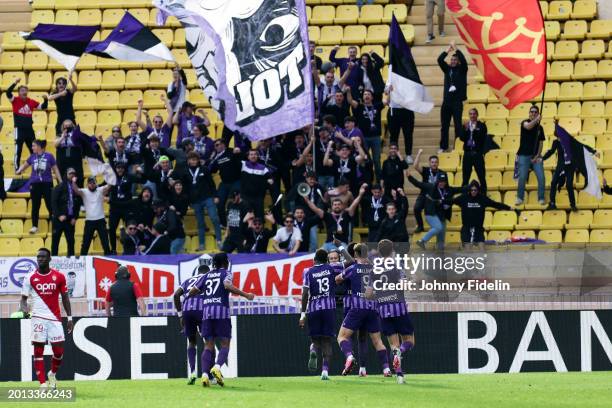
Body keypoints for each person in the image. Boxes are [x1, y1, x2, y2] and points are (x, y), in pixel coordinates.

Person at [189, 253, 256, 387]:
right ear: (225, 262)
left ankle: (204, 374)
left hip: (207, 312)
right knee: (225, 344)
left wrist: (207, 295)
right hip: (221, 312)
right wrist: (246, 294)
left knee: (208, 345)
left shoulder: (206, 275)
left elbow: (192, 291)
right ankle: (217, 367)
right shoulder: (226, 273)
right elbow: (227, 285)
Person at [19, 248, 73, 389]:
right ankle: (42, 384)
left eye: (43, 257)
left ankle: (52, 374)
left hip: (55, 318)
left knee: (59, 352)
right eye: (38, 257)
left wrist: (70, 318)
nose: (40, 259)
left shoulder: (59, 276)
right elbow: (23, 300)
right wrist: (25, 310)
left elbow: (65, 298)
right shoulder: (30, 277)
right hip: (37, 317)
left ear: (49, 259)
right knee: (38, 350)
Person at [299, 246, 354, 380]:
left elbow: (305, 293)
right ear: (326, 260)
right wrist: (340, 246)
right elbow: (351, 260)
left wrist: (302, 314)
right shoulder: (332, 268)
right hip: (328, 308)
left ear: (314, 260)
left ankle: (313, 351)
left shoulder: (308, 271)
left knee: (315, 340)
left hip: (313, 309)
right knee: (327, 341)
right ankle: (325, 372)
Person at [335, 243, 391, 377]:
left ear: (355, 254)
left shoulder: (352, 268)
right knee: (378, 341)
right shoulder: (375, 269)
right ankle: (386, 369)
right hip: (372, 309)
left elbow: (337, 279)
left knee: (342, 337)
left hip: (357, 308)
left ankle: (349, 357)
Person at [367, 240, 415, 384]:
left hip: (383, 309)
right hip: (398, 307)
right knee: (409, 341)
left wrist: (380, 292)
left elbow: (368, 294)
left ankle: (400, 375)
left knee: (393, 345)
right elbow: (403, 284)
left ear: (379, 252)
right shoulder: (396, 264)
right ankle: (401, 351)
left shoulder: (373, 269)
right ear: (392, 249)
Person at [543, 125, 599, 211]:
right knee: (553, 182)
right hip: (561, 166)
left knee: (569, 185)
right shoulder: (556, 142)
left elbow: (582, 146)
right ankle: (552, 203)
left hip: (570, 166)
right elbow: (551, 152)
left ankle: (573, 205)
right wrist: (542, 158)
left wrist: (593, 151)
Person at [408, 172, 464, 250]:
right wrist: (409, 176)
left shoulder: (449, 189)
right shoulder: (430, 187)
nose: (442, 183)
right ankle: (422, 241)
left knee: (441, 239)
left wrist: (471, 186)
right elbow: (418, 184)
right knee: (438, 228)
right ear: (437, 181)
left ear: (446, 181)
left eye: (443, 181)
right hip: (431, 213)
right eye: (440, 181)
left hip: (442, 215)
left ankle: (440, 255)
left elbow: (461, 189)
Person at [173, 263, 209, 385]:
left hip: (187, 310)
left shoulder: (188, 280)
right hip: (202, 310)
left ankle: (192, 372)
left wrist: (180, 315)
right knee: (208, 342)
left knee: (192, 342)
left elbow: (176, 295)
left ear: (197, 272)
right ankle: (207, 374)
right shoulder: (208, 279)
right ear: (208, 272)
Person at [16, 139, 62, 233]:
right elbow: (25, 165)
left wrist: (60, 181)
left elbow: (56, 169)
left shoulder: (49, 156)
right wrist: (18, 170)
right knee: (35, 206)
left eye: (33, 146)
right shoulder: (32, 157)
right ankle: (34, 226)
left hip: (47, 183)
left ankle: (55, 225)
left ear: (39, 147)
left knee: (50, 205)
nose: (32, 148)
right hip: (35, 184)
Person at [305, 184, 367, 251]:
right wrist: (307, 200)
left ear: (342, 206)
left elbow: (354, 204)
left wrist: (360, 194)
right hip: (328, 244)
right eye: (335, 205)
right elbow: (315, 209)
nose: (337, 206)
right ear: (332, 206)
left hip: (342, 244)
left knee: (347, 255)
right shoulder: (327, 215)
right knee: (319, 254)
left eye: (338, 204)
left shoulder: (346, 215)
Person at [453, 180, 511, 249]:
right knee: (467, 251)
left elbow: (495, 204)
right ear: (469, 190)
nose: (473, 191)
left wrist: (509, 208)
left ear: (478, 190)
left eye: (475, 190)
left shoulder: (482, 198)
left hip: (478, 228)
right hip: (466, 228)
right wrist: (441, 202)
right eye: (472, 190)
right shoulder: (464, 198)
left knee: (482, 250)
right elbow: (451, 201)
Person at [182, 151, 221, 250]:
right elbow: (185, 189)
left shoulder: (204, 169)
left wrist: (215, 196)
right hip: (195, 201)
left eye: (195, 159)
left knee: (214, 218)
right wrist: (187, 202)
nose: (193, 161)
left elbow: (211, 184)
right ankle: (201, 244)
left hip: (207, 198)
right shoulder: (185, 171)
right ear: (188, 161)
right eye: (191, 159)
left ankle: (219, 240)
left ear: (198, 160)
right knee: (200, 222)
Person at [7, 78, 48, 170]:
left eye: (26, 90)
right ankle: (17, 168)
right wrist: (15, 83)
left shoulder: (31, 101)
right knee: (19, 149)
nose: (24, 92)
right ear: (18, 93)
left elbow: (43, 107)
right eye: (22, 90)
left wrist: (45, 100)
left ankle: (37, 168)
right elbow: (8, 93)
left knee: (34, 149)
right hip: (19, 129)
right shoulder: (15, 100)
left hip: (29, 129)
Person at [346, 87, 384, 179]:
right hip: (364, 138)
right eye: (365, 94)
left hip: (376, 137)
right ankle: (368, 178)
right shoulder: (360, 107)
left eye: (368, 94)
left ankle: (379, 180)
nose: (366, 96)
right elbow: (350, 101)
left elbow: (387, 101)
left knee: (376, 160)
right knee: (365, 159)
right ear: (363, 97)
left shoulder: (377, 106)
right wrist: (348, 91)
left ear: (372, 97)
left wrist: (388, 91)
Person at [438, 42, 468, 152]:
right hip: (446, 102)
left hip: (457, 103)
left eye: (455, 60)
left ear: (458, 61)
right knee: (444, 126)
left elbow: (464, 61)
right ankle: (443, 146)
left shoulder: (462, 69)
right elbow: (440, 60)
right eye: (452, 60)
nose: (453, 61)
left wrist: (456, 49)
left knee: (458, 126)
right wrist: (448, 50)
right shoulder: (447, 69)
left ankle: (458, 146)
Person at [72, 176, 112, 256]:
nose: (92, 184)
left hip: (101, 220)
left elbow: (109, 186)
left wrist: (110, 177)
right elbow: (76, 190)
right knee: (85, 244)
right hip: (89, 221)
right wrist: (73, 182)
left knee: (105, 243)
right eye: (90, 183)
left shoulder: (100, 190)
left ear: (96, 183)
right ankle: (83, 261)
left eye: (93, 183)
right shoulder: (84, 191)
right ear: (87, 184)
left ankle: (109, 260)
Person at [516, 105, 546, 206]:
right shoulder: (525, 122)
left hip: (536, 156)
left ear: (538, 113)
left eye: (535, 112)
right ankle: (520, 197)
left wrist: (537, 156)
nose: (533, 113)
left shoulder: (540, 128)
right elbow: (528, 127)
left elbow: (541, 143)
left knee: (541, 177)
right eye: (531, 112)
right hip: (524, 155)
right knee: (522, 177)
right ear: (529, 113)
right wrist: (537, 120)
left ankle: (541, 198)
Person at [107, 162, 139, 254]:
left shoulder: (129, 176)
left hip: (126, 207)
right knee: (112, 229)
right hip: (115, 208)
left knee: (131, 228)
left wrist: (139, 172)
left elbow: (141, 180)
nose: (120, 169)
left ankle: (131, 249)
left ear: (124, 169)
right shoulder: (111, 178)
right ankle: (113, 250)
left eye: (121, 168)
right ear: (115, 169)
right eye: (118, 168)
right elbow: (102, 186)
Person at [412, 149, 447, 233]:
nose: (434, 164)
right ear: (429, 163)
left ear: (438, 163)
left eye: (435, 162)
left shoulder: (442, 173)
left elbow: (446, 187)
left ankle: (438, 227)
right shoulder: (426, 170)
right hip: (424, 195)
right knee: (416, 208)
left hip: (435, 197)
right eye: (432, 162)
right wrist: (419, 154)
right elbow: (415, 166)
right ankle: (420, 226)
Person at [210, 140, 242, 227]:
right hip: (224, 183)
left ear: (223, 145)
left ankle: (237, 224)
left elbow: (240, 160)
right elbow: (212, 170)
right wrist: (212, 159)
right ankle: (223, 224)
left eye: (217, 145)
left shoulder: (231, 151)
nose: (216, 147)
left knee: (234, 202)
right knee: (219, 202)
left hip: (236, 181)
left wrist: (238, 153)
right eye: (215, 146)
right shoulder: (217, 157)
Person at [51, 168, 81, 256]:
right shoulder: (59, 187)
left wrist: (75, 217)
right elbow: (53, 202)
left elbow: (78, 204)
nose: (72, 175)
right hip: (59, 220)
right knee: (55, 241)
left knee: (71, 241)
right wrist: (58, 215)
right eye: (70, 173)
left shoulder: (76, 188)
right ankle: (53, 260)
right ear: (66, 175)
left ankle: (71, 260)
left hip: (70, 220)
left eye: (73, 174)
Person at [384, 85, 415, 164]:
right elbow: (386, 97)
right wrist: (389, 91)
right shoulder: (390, 78)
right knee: (394, 135)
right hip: (394, 111)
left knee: (408, 134)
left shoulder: (408, 78)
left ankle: (408, 155)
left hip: (407, 110)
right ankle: (393, 154)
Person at [460, 108, 488, 192]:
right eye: (471, 114)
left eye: (474, 114)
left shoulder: (482, 125)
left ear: (477, 115)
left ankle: (484, 193)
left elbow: (481, 138)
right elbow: (462, 138)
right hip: (467, 154)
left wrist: (474, 130)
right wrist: (466, 130)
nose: (472, 115)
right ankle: (464, 194)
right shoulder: (465, 125)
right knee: (465, 176)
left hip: (477, 154)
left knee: (481, 176)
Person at [240, 149, 273, 218]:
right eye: (251, 154)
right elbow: (233, 162)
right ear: (248, 157)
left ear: (258, 156)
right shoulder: (243, 164)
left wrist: (270, 181)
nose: (253, 156)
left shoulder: (263, 168)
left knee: (259, 217)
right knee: (246, 218)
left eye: (255, 154)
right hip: (245, 197)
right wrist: (236, 154)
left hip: (258, 197)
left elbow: (270, 179)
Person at [54, 120, 85, 186]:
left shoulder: (77, 135)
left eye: (69, 126)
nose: (67, 127)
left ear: (72, 126)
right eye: (66, 126)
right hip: (62, 162)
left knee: (77, 179)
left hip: (75, 161)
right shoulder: (59, 135)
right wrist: (62, 137)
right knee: (63, 179)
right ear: (63, 127)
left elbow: (82, 144)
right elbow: (55, 145)